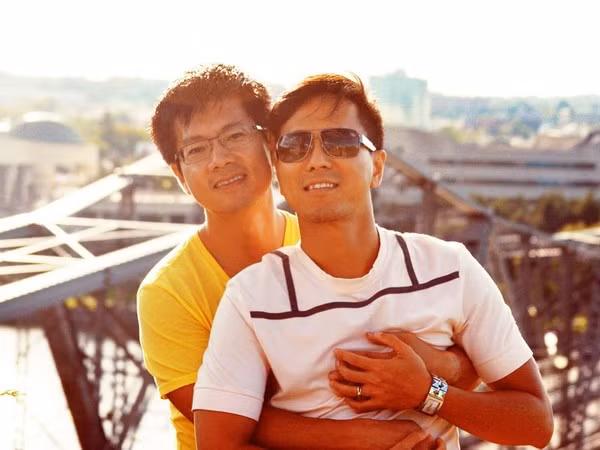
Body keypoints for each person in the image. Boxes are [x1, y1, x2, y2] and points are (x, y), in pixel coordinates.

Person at [192, 73, 554, 449]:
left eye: (341, 142)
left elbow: (536, 424)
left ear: (377, 167)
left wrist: (428, 393)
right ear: (279, 174)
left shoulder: (450, 270)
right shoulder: (252, 298)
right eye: (294, 146)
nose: (316, 160)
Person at [138, 65, 477, 450]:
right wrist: (366, 438)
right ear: (179, 175)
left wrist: (438, 370)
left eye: (235, 135)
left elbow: (468, 366)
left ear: (271, 146)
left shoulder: (332, 237)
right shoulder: (167, 292)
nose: (219, 159)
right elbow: (223, 423)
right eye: (197, 149)